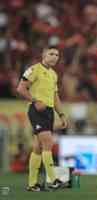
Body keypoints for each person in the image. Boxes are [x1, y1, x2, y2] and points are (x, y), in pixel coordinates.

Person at [16, 46, 68, 192]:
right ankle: (53, 180)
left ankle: (32, 184)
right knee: (48, 142)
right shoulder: (34, 69)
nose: (55, 57)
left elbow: (55, 96)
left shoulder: (53, 74)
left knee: (38, 148)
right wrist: (35, 100)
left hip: (49, 112)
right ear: (43, 55)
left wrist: (61, 114)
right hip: (36, 111)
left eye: (57, 55)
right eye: (51, 53)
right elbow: (20, 88)